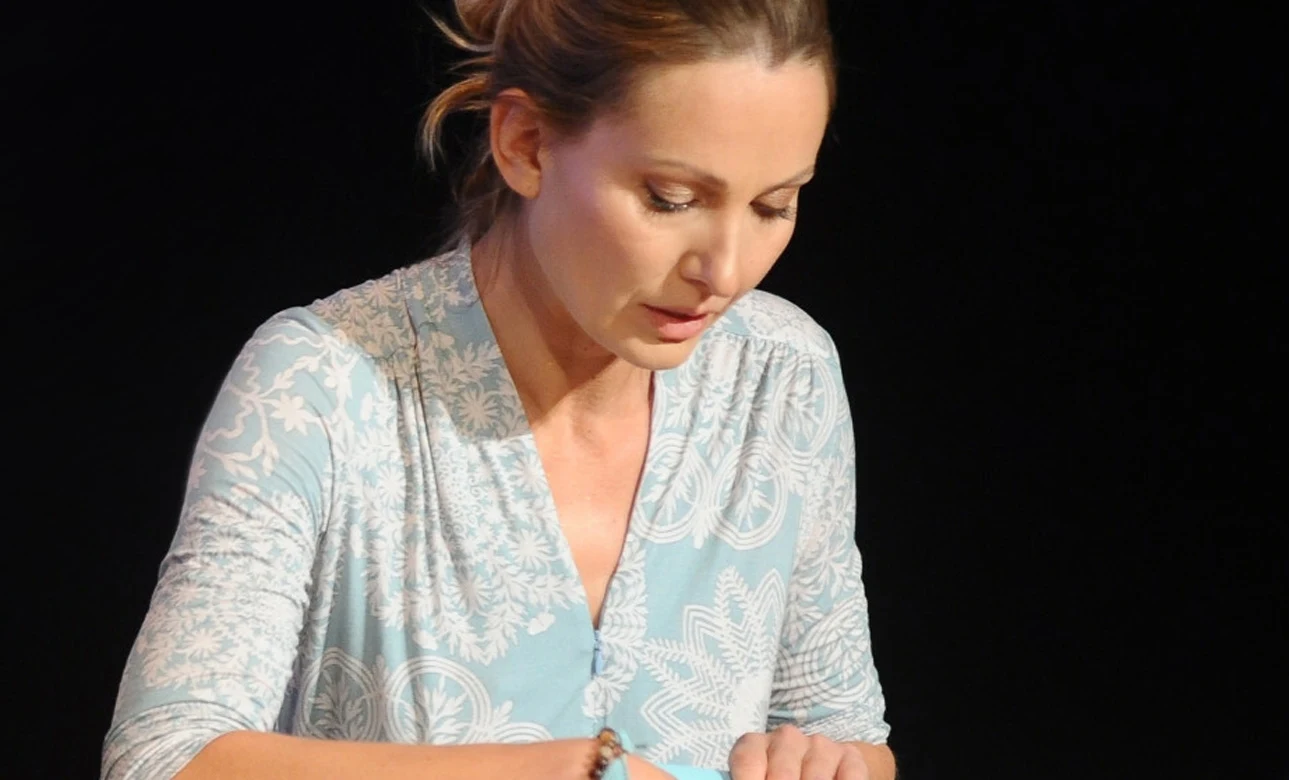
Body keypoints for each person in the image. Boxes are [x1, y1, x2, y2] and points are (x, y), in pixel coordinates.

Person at [102, 0, 896, 778]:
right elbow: (165, 759)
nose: (724, 270)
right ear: (525, 143)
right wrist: (580, 771)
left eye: (773, 206)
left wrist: (823, 764)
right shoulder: (325, 383)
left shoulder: (781, 375)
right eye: (671, 200)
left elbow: (848, 733)